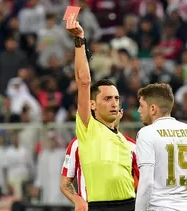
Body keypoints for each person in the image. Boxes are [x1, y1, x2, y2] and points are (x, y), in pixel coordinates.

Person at [65, 14, 136, 211]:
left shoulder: (129, 143)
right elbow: (84, 81)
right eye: (107, 98)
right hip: (99, 207)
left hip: (131, 205)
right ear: (92, 105)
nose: (113, 103)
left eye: (116, 98)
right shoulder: (89, 129)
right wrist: (79, 41)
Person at [135, 83, 187, 211]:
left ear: (153, 109)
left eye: (141, 105)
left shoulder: (147, 133)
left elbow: (147, 182)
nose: (138, 110)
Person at [60, 108, 140, 202]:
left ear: (121, 113)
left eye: (114, 111)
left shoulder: (133, 147)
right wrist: (78, 200)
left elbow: (142, 184)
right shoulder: (77, 144)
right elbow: (65, 183)